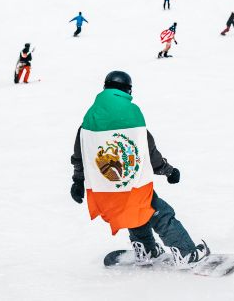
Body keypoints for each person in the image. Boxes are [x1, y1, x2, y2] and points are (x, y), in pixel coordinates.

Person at [69, 71, 208, 267]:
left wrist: (77, 181)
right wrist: (168, 171)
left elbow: (80, 153)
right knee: (159, 212)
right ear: (128, 90)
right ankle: (186, 253)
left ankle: (147, 250)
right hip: (132, 184)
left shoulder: (89, 119)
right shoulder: (131, 115)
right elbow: (149, 153)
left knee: (132, 212)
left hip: (105, 189)